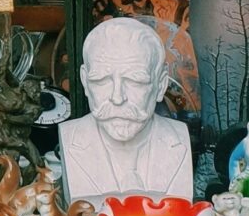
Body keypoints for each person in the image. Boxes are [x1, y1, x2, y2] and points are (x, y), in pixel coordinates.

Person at [57, 17, 193, 202]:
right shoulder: (71, 137)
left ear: (161, 85)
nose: (117, 98)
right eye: (101, 80)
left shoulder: (178, 140)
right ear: (85, 81)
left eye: (135, 81)